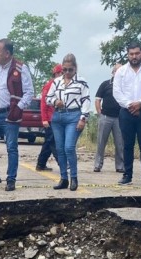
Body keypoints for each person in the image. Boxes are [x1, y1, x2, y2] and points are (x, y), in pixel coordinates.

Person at [0, 38, 34, 192]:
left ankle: (11, 179)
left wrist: (18, 107)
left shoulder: (20, 68)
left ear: (7, 53)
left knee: (11, 147)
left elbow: (29, 92)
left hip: (9, 114)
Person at [113, 42, 141, 186]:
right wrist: (129, 104)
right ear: (128, 55)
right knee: (127, 145)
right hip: (126, 112)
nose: (134, 56)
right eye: (131, 54)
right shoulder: (121, 71)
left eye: (137, 53)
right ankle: (127, 175)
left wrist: (140, 103)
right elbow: (117, 91)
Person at [46, 53, 90, 191]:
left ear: (75, 68)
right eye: (64, 70)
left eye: (70, 69)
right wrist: (55, 101)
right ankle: (63, 178)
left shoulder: (81, 82)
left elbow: (86, 101)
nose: (67, 72)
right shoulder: (56, 82)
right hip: (58, 117)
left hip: (73, 116)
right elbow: (48, 98)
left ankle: (74, 177)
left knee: (69, 147)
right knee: (59, 149)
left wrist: (83, 118)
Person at [94, 64, 125, 173]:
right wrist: (99, 113)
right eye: (117, 70)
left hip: (120, 118)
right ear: (113, 72)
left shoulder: (125, 85)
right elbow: (97, 99)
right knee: (101, 142)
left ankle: (120, 166)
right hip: (106, 117)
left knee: (120, 143)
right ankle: (97, 165)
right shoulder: (105, 84)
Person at [36, 64, 63, 171]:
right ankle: (62, 163)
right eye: (62, 73)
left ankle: (41, 164)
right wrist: (44, 119)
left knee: (48, 142)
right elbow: (43, 103)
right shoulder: (49, 85)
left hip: (56, 118)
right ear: (57, 73)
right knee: (53, 142)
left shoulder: (61, 85)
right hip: (49, 119)